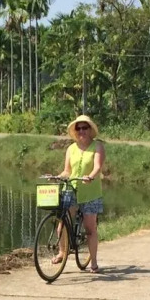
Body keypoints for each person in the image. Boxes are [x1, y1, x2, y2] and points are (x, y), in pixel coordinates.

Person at [56, 114, 105, 273]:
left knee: (90, 228)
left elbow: (97, 166)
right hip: (71, 188)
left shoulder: (97, 146)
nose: (82, 131)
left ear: (90, 130)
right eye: (79, 128)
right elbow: (67, 170)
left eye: (85, 127)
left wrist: (91, 176)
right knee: (62, 223)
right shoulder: (71, 148)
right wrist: (58, 176)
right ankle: (62, 252)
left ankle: (94, 262)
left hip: (90, 191)